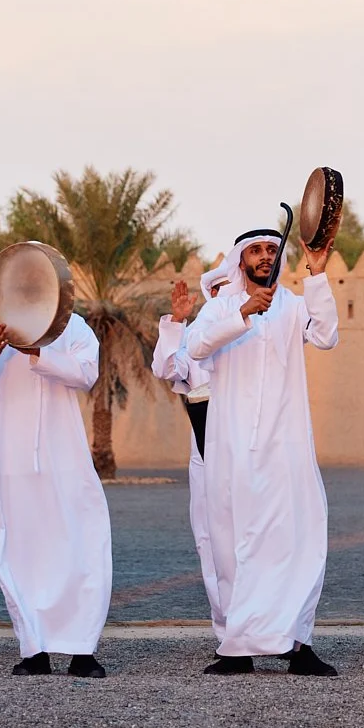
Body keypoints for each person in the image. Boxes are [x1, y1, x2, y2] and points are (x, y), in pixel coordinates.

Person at [0, 282, 110, 678]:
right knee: (20, 554)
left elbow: (86, 375)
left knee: (81, 548)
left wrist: (37, 352)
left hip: (66, 462)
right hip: (11, 464)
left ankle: (82, 651)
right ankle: (34, 650)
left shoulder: (74, 327)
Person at [182, 224, 338, 678]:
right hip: (232, 445)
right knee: (234, 543)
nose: (266, 256)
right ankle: (238, 647)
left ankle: (296, 642)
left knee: (297, 539)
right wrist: (243, 313)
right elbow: (194, 347)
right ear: (241, 260)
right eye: (256, 250)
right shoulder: (221, 308)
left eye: (272, 249)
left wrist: (317, 276)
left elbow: (327, 336)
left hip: (287, 443)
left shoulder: (293, 304)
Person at [152, 274, 223, 641]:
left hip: (258, 456)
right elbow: (165, 368)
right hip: (206, 455)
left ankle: (276, 631)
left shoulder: (262, 335)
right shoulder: (195, 341)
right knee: (210, 541)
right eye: (218, 290)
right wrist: (177, 323)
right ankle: (229, 634)